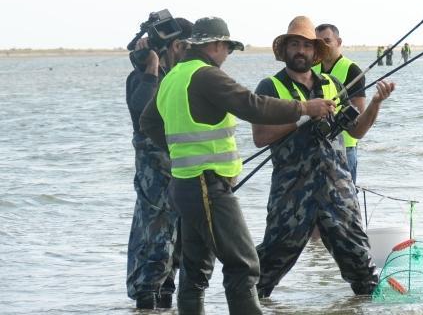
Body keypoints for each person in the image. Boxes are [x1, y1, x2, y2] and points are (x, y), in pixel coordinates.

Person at [140, 16, 317, 315]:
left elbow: (148, 122)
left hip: (185, 185)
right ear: (216, 45)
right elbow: (252, 105)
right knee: (245, 264)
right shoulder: (207, 75)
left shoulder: (173, 76)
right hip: (207, 184)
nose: (227, 56)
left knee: (195, 270)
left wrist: (181, 149)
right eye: (227, 49)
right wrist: (304, 107)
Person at [252, 16, 395, 298]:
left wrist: (376, 104)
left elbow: (358, 130)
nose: (301, 51)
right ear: (284, 51)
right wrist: (305, 111)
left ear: (315, 52)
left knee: (364, 271)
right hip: (291, 193)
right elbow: (261, 137)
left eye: (307, 46)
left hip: (338, 192)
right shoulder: (269, 87)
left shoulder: (333, 83)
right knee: (265, 272)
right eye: (295, 44)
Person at [125, 16, 193, 310]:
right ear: (176, 46)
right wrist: (150, 69)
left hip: (182, 168)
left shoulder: (184, 76)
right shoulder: (143, 76)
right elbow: (141, 114)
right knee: (155, 236)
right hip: (154, 172)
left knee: (178, 240)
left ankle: (166, 295)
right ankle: (145, 297)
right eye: (188, 47)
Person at [312, 22, 367, 183]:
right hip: (317, 144)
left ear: (339, 42)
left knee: (345, 199)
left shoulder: (352, 70)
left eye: (327, 41)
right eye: (318, 42)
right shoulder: (312, 68)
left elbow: (359, 111)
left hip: (345, 147)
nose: (323, 46)